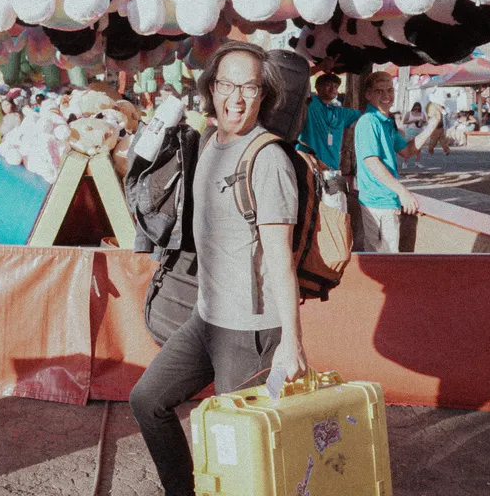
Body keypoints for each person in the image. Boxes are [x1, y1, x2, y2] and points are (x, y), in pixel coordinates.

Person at [129, 42, 305, 496]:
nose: (237, 98)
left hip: (251, 333)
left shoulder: (268, 159)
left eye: (249, 87)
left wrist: (291, 343)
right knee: (148, 400)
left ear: (264, 95)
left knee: (242, 454)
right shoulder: (209, 142)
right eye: (227, 85)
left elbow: (280, 258)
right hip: (206, 320)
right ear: (211, 88)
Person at [354, 72, 441, 252]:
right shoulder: (369, 121)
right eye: (379, 91)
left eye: (389, 90)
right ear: (368, 95)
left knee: (384, 257)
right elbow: (372, 162)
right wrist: (403, 192)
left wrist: (432, 125)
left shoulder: (385, 122)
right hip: (377, 200)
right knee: (384, 259)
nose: (386, 96)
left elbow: (407, 150)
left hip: (386, 199)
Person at [296, 72, 361, 171]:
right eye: (328, 85)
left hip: (331, 169)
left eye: (336, 86)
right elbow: (299, 78)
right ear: (317, 87)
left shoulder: (340, 112)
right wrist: (320, 67)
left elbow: (367, 113)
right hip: (307, 164)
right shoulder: (309, 103)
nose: (333, 89)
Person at [401, 102, 428, 169]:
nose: (417, 109)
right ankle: (405, 162)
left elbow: (426, 123)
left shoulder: (422, 114)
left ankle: (417, 162)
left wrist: (422, 121)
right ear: (413, 107)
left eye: (418, 108)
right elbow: (404, 122)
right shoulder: (409, 113)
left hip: (419, 131)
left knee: (418, 148)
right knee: (408, 147)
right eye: (415, 108)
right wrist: (413, 121)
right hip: (410, 131)